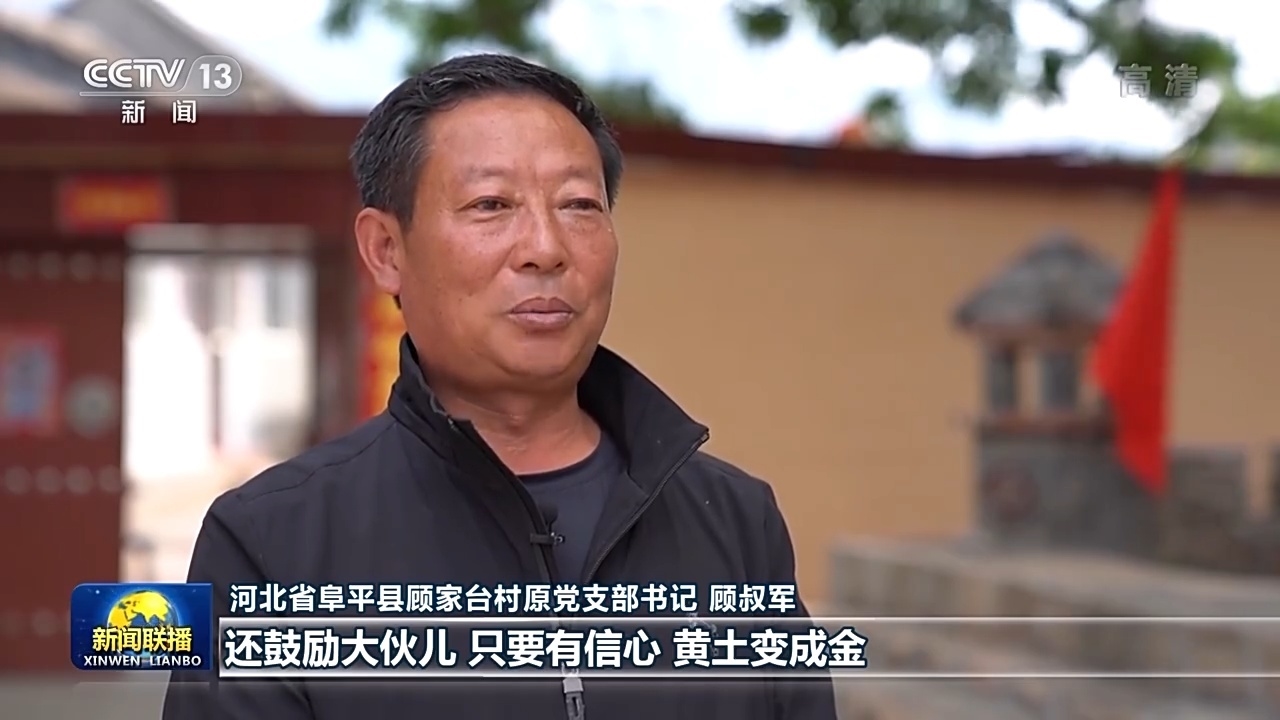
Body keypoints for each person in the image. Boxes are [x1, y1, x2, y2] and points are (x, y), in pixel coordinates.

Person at [162, 53, 837, 720]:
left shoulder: (736, 521)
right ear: (387, 250)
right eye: (491, 204)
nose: (546, 248)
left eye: (579, 205)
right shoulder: (269, 543)